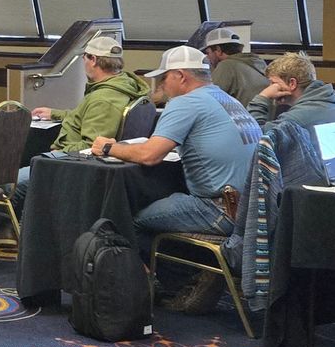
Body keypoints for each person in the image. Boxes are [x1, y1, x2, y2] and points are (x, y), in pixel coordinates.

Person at [89, 45, 261, 313]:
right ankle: (200, 272)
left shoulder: (186, 102)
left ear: (180, 76)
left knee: (126, 220)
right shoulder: (225, 99)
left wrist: (108, 147)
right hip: (249, 208)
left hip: (219, 209)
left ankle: (184, 284)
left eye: (164, 78)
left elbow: (149, 155)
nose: (161, 85)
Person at [15, 35, 147, 202]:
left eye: (84, 57)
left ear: (93, 60)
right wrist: (55, 113)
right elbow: (89, 117)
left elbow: (92, 146)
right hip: (74, 161)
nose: (83, 62)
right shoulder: (121, 85)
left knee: (10, 185)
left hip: (71, 164)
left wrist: (59, 153)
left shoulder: (103, 99)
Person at [249, 51, 335, 160]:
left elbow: (253, 138)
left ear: (292, 83)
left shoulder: (297, 117)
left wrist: (262, 97)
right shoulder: (332, 102)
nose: (270, 88)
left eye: (273, 83)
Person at [202, 28, 269, 106]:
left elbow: (209, 100)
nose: (208, 57)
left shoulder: (226, 65)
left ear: (218, 50)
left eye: (208, 53)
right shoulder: (258, 63)